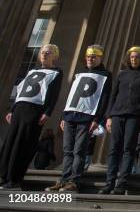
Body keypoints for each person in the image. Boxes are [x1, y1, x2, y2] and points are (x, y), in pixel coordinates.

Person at [46, 45, 112, 193]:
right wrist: (63, 116)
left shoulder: (105, 74)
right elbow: (72, 94)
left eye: (93, 56)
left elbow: (104, 98)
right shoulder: (80, 72)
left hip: (87, 117)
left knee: (79, 150)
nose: (90, 59)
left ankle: (74, 180)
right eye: (88, 56)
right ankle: (64, 179)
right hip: (71, 114)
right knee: (67, 150)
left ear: (100, 58)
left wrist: (97, 119)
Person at [0, 44, 63, 190]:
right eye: (42, 52)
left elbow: (54, 93)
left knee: (24, 143)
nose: (44, 55)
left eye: (48, 52)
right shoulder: (33, 70)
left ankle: (14, 179)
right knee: (10, 142)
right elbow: (21, 91)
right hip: (19, 109)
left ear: (55, 55)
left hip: (35, 110)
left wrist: (47, 112)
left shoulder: (56, 72)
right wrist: (12, 109)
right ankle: (3, 175)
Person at [99, 46, 140, 195]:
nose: (133, 59)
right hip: (117, 114)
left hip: (135, 114)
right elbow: (113, 95)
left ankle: (122, 182)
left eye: (137, 57)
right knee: (113, 149)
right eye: (131, 57)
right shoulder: (122, 74)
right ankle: (109, 182)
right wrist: (109, 116)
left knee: (128, 149)